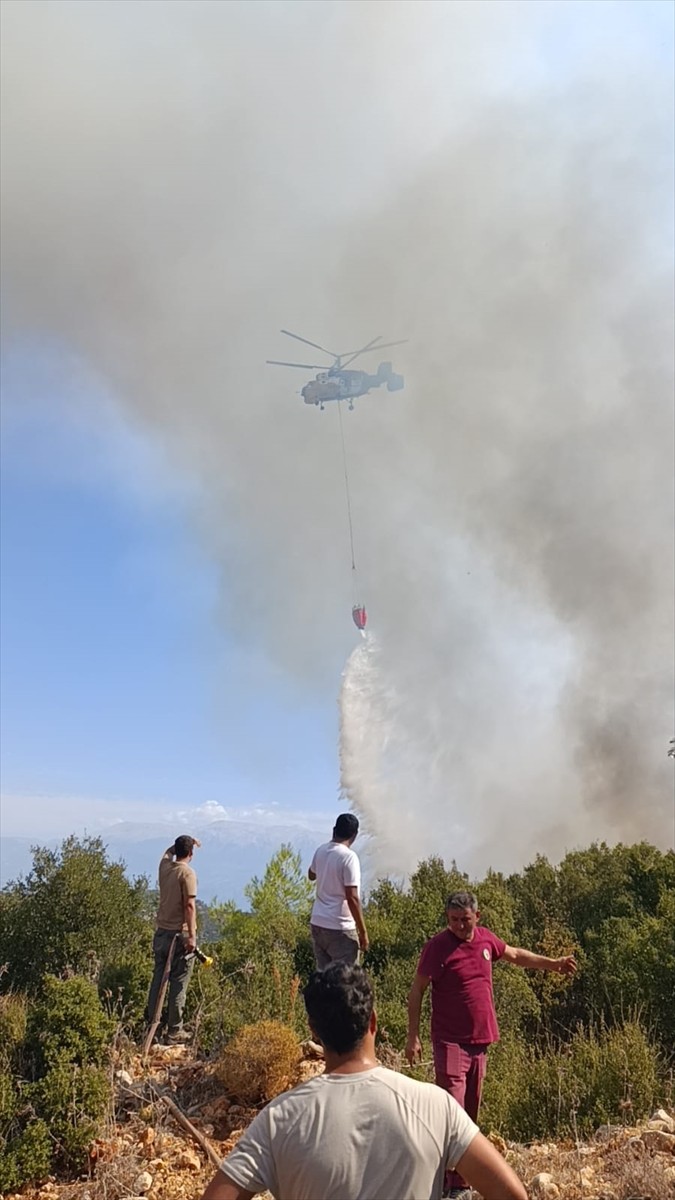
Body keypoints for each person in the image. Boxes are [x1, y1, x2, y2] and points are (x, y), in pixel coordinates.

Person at [199, 963, 528, 1200]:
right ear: (373, 1020)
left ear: (314, 1031)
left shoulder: (279, 1118)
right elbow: (511, 1193)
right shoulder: (435, 1105)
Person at [406, 890, 577, 1198]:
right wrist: (412, 1035)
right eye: (453, 920)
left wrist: (552, 964)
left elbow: (515, 955)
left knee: (469, 1115)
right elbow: (417, 990)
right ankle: (441, 1184)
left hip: (479, 1042)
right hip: (450, 1042)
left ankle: (459, 1183)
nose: (459, 926)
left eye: (465, 920)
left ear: (477, 917)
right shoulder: (436, 948)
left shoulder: (486, 940)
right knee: (452, 1112)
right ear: (447, 919)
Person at [144, 835, 200, 1043]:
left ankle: (152, 1026)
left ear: (176, 851)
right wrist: (191, 936)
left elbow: (167, 854)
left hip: (161, 933)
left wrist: (181, 845)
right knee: (178, 983)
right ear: (191, 855)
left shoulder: (164, 866)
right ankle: (174, 1031)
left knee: (158, 980)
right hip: (179, 936)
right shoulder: (187, 873)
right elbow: (189, 906)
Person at [308, 813, 369, 967]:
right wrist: (363, 932)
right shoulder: (349, 857)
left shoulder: (321, 850)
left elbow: (311, 874)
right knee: (346, 983)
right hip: (340, 928)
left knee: (325, 980)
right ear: (354, 835)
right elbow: (352, 897)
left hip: (318, 923)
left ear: (334, 830)